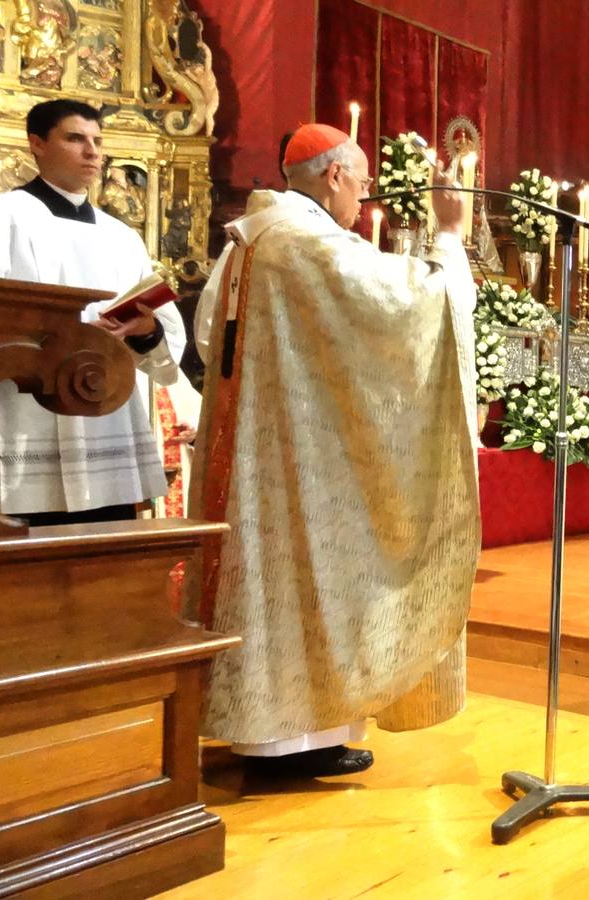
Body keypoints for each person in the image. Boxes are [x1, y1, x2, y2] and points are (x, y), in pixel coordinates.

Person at [188, 123, 480, 778]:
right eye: (362, 179)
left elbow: (210, 337)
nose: (366, 194)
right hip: (300, 456)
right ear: (334, 175)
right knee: (305, 578)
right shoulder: (306, 241)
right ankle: (290, 743)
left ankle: (288, 734)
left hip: (261, 448)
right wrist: (451, 235)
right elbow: (408, 305)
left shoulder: (250, 239)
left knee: (277, 579)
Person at [0, 99, 184, 525]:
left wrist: (146, 327)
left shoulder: (122, 236)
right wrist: (62, 338)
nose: (92, 152)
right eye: (75, 138)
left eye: (98, 141)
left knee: (106, 565)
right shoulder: (2, 216)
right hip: (27, 419)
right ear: (36, 144)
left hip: (107, 409)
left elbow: (165, 338)